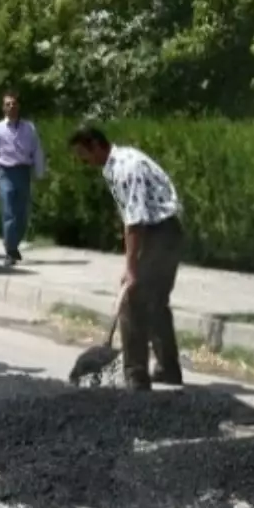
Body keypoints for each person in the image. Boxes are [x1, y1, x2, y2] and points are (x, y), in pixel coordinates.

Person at [68, 124, 185, 390]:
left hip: (161, 232)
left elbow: (135, 222)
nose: (82, 161)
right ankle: (168, 369)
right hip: (164, 232)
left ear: (95, 145)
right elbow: (131, 218)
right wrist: (130, 263)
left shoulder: (124, 168)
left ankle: (136, 376)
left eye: (83, 154)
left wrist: (132, 269)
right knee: (155, 302)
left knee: (133, 302)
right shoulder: (116, 164)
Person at [0, 89, 45, 266]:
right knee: (9, 212)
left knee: (22, 214)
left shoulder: (29, 128)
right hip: (5, 172)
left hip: (23, 172)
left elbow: (37, 150)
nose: (11, 107)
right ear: (3, 108)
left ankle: (14, 244)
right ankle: (10, 250)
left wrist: (39, 171)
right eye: (7, 104)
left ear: (18, 106)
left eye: (14, 104)